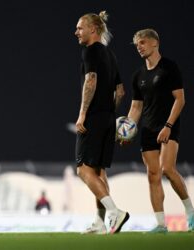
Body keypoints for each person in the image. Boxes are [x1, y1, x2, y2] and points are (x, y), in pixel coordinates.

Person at [127, 29, 194, 233]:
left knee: (167, 169)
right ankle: (160, 224)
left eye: (143, 42)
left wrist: (168, 126)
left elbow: (180, 99)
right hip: (148, 129)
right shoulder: (138, 75)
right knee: (153, 175)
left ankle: (190, 212)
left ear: (155, 43)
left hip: (168, 126)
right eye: (137, 44)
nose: (139, 46)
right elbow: (136, 107)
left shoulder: (169, 67)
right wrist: (127, 130)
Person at [74, 11, 129, 234]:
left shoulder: (90, 52)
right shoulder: (110, 55)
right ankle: (99, 223)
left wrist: (83, 114)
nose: (76, 32)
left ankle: (115, 212)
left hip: (95, 117)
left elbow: (91, 81)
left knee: (83, 171)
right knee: (98, 173)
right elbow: (121, 91)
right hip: (108, 118)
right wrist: (109, 114)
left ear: (93, 30)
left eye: (79, 28)